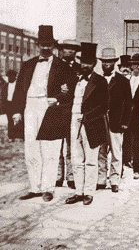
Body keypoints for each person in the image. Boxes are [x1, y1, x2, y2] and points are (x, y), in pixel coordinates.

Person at [12, 25, 75, 202]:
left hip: (50, 108)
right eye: (42, 44)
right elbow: (18, 90)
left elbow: (70, 90)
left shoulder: (62, 66)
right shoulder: (27, 65)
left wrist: (57, 99)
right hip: (30, 107)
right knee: (31, 149)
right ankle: (35, 187)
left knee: (50, 149)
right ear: (37, 45)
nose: (45, 48)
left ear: (54, 46)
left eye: (49, 44)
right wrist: (17, 111)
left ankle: (48, 187)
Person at [65, 42, 108, 206]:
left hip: (91, 123)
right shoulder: (74, 79)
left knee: (91, 160)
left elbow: (103, 106)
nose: (84, 65)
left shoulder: (100, 81)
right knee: (76, 159)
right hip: (73, 122)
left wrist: (86, 116)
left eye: (88, 62)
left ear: (94, 64)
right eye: (82, 61)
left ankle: (89, 192)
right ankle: (78, 191)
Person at [97, 48, 132, 192]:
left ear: (114, 63)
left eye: (109, 62)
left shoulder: (122, 80)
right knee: (101, 151)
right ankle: (101, 179)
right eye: (104, 61)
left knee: (116, 152)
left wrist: (125, 122)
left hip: (116, 121)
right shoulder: (97, 79)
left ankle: (114, 180)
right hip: (99, 121)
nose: (106, 64)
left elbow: (128, 103)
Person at [56, 39, 81, 190]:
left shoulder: (80, 68)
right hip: (58, 110)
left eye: (73, 49)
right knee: (57, 145)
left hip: (72, 110)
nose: (70, 51)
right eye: (67, 48)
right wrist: (59, 91)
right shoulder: (54, 66)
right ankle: (58, 176)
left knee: (72, 144)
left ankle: (71, 177)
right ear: (62, 50)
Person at [4, 70, 18, 141]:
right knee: (10, 121)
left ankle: (21, 135)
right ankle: (11, 137)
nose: (9, 78)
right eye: (8, 77)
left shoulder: (18, 85)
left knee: (18, 120)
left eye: (11, 77)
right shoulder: (6, 85)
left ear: (14, 77)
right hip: (8, 104)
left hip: (16, 104)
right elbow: (3, 96)